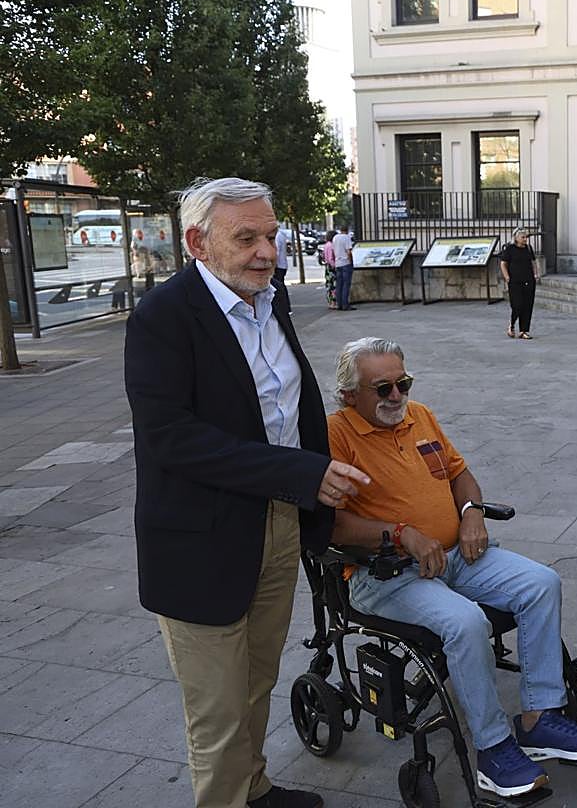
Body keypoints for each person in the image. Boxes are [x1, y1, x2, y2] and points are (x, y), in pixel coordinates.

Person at [124, 176, 371, 808]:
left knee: (258, 679)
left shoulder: (270, 298)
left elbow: (289, 406)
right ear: (197, 242)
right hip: (200, 540)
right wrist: (298, 474)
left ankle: (253, 788)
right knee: (218, 709)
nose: (267, 251)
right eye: (247, 238)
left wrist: (316, 478)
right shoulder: (163, 317)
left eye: (271, 236)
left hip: (280, 523)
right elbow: (171, 438)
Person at [325, 337, 577, 798]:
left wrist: (471, 512)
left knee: (541, 583)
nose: (397, 396)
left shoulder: (419, 416)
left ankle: (540, 718)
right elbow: (334, 525)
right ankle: (493, 748)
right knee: (465, 622)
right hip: (386, 572)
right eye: (383, 389)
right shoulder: (335, 434)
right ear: (349, 396)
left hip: (454, 554)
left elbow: (458, 473)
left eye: (403, 382)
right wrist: (401, 534)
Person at [499, 227, 539, 339]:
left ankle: (524, 330)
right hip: (515, 282)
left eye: (526, 237)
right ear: (516, 238)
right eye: (523, 237)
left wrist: (535, 274)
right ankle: (511, 326)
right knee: (517, 305)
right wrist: (507, 277)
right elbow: (503, 264)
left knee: (527, 305)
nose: (525, 239)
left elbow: (533, 262)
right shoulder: (510, 249)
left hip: (529, 281)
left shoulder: (528, 248)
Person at [332, 224, 355, 311]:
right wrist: (350, 261)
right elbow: (348, 251)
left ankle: (339, 304)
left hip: (338, 263)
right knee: (346, 284)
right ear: (347, 230)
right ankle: (345, 304)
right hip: (345, 263)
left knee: (339, 285)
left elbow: (334, 251)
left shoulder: (335, 238)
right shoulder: (346, 237)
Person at [272, 225, 292, 314]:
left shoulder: (277, 236)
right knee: (280, 286)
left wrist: (272, 266)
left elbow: (276, 252)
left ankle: (283, 307)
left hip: (278, 266)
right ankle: (285, 307)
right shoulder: (281, 235)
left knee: (278, 287)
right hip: (282, 265)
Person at [321, 230, 336, 309]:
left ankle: (330, 302)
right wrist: (334, 265)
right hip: (331, 267)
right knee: (333, 285)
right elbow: (330, 258)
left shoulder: (326, 245)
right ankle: (333, 302)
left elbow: (324, 256)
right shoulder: (331, 245)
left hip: (327, 267)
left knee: (328, 285)